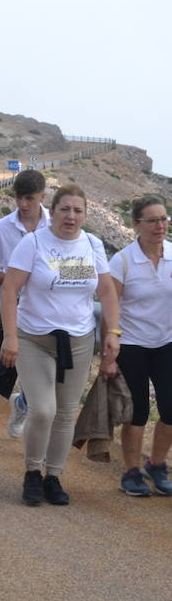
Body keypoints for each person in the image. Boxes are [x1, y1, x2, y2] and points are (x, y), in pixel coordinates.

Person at [0, 184, 120, 505]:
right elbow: (9, 290)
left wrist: (112, 333)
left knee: (66, 413)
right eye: (65, 209)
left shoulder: (92, 244)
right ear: (53, 211)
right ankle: (32, 473)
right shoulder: (33, 243)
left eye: (78, 210)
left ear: (85, 215)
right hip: (34, 338)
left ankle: (53, 476)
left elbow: (107, 292)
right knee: (43, 410)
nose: (71, 216)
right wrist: (10, 336)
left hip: (78, 340)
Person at [107, 194, 172, 497]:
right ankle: (131, 472)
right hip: (131, 343)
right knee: (138, 412)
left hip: (166, 342)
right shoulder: (122, 260)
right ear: (136, 224)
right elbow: (110, 306)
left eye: (164, 219)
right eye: (153, 220)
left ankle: (157, 465)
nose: (161, 225)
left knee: (171, 408)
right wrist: (109, 352)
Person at [0, 169, 50, 437]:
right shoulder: (2, 228)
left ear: (42, 197)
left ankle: (25, 404)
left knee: (46, 374)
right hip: (14, 309)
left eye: (29, 199)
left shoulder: (55, 226)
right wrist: (9, 279)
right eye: (19, 198)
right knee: (4, 370)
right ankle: (23, 404)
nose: (22, 205)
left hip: (47, 312)